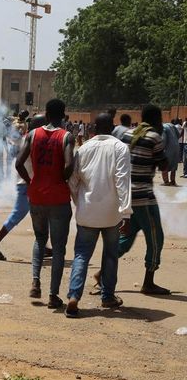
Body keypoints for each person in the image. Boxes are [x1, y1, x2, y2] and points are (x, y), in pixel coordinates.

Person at [65, 113, 132, 318]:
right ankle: (107, 296)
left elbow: (73, 181)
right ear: (112, 127)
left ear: (93, 128)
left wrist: (80, 203)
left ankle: (74, 297)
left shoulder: (83, 148)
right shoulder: (120, 148)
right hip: (112, 214)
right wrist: (126, 213)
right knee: (110, 255)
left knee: (81, 255)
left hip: (87, 212)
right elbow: (122, 180)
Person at [15, 99, 75, 309]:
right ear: (63, 115)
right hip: (58, 197)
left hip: (36, 195)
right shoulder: (66, 136)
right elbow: (69, 165)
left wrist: (31, 181)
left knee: (40, 238)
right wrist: (62, 179)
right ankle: (53, 295)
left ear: (47, 115)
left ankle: (35, 281)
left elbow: (18, 163)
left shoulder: (32, 135)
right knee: (59, 247)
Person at [115, 105, 171, 295]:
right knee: (156, 239)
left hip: (126, 196)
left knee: (126, 238)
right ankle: (149, 282)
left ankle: (102, 272)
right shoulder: (154, 137)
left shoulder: (127, 135)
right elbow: (164, 165)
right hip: (144, 197)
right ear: (156, 119)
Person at [0, 115, 52, 261]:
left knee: (41, 214)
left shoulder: (26, 139)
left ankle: (44, 246)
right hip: (27, 185)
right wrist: (30, 181)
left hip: (29, 184)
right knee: (18, 215)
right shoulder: (34, 140)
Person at [161, 119, 179, 186]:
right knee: (174, 166)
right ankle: (173, 181)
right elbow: (178, 134)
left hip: (169, 147)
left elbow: (163, 139)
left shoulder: (162, 127)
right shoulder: (171, 125)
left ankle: (166, 182)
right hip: (177, 147)